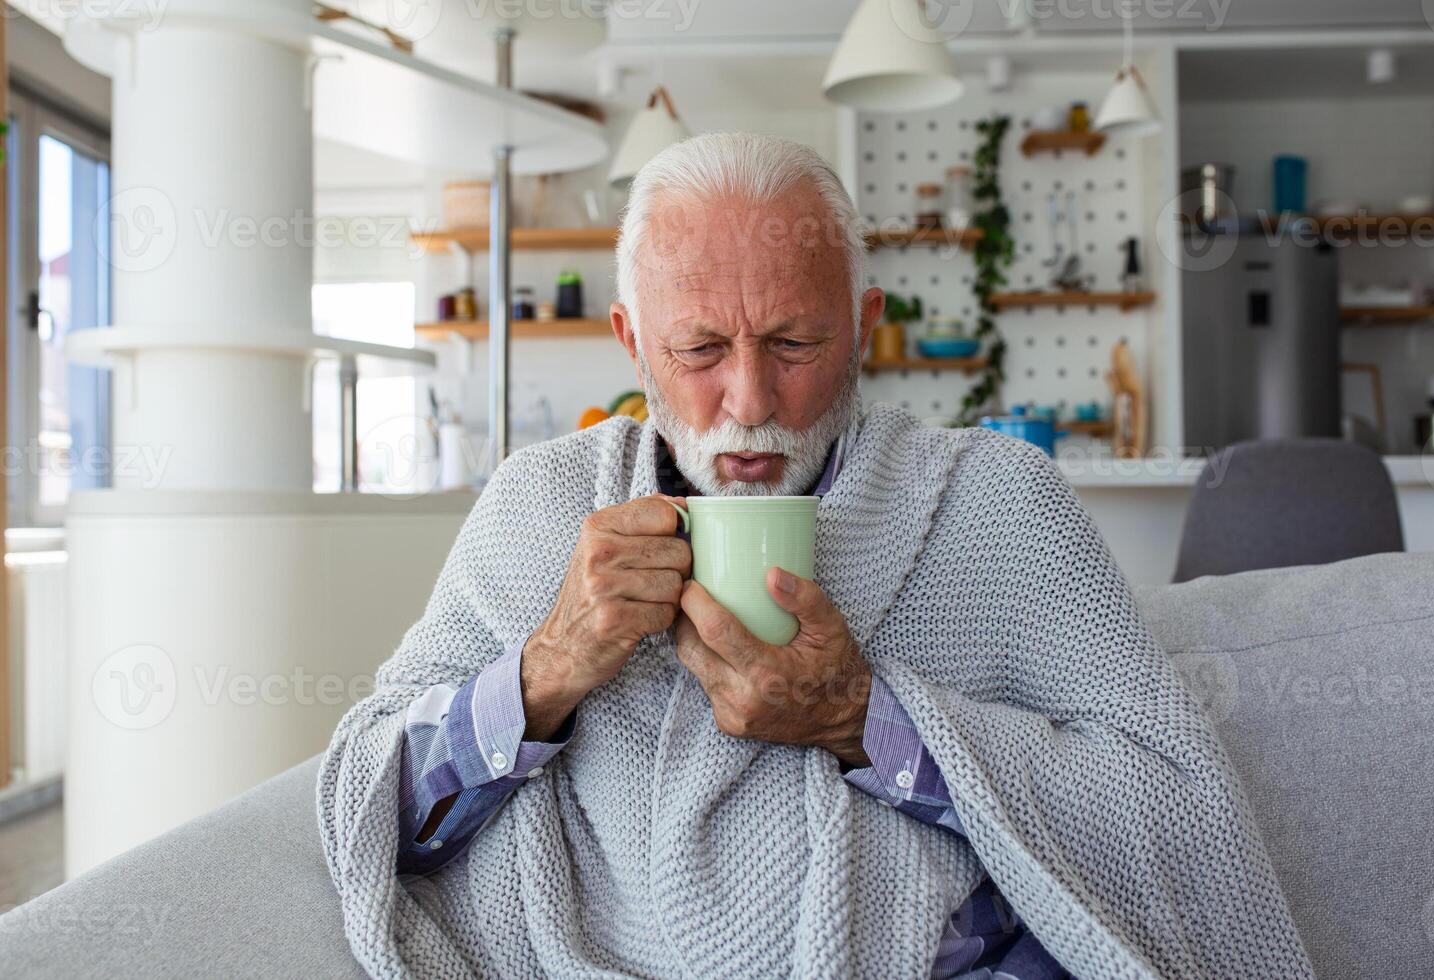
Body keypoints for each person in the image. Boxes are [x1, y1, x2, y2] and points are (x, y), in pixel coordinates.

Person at [318, 132, 1314, 979]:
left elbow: (1179, 813)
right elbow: (368, 809)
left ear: (866, 328)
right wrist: (546, 671)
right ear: (631, 340)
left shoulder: (995, 502)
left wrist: (863, 716)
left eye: (795, 343)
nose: (749, 400)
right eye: (700, 349)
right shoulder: (535, 506)